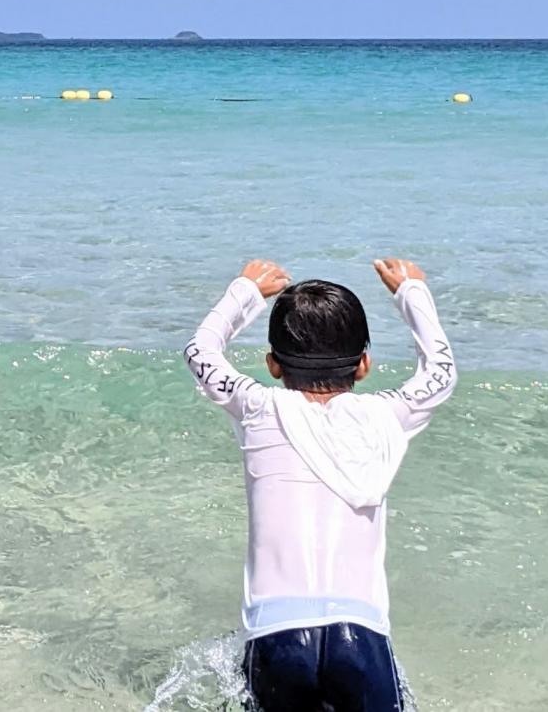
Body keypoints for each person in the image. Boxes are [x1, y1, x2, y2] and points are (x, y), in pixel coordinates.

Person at [184, 257, 457, 712]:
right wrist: (412, 292)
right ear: (364, 364)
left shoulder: (257, 408)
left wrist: (245, 291)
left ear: (273, 365)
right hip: (362, 635)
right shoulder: (386, 417)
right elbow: (441, 374)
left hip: (277, 636)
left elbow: (200, 350)